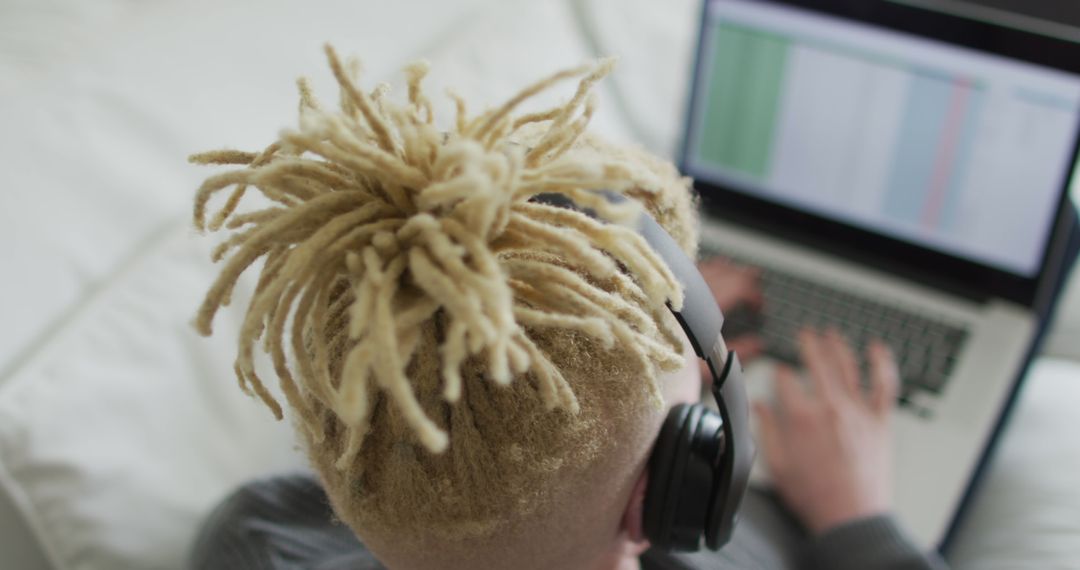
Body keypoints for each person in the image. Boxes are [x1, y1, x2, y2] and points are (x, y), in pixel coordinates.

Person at [187, 50, 948, 570]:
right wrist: (861, 522)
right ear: (672, 498)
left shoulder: (257, 537)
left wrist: (611, 295)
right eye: (698, 410)